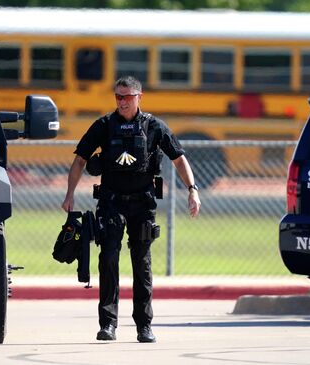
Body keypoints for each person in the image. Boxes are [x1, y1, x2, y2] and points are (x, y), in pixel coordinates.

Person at [61, 76, 201, 343]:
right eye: (118, 97)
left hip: (142, 203)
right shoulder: (104, 125)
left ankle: (144, 326)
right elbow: (80, 160)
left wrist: (192, 190)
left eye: (127, 96)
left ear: (139, 96)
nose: (122, 101)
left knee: (142, 263)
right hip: (111, 202)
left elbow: (178, 158)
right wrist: (70, 194)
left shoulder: (154, 126)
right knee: (109, 259)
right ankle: (108, 324)